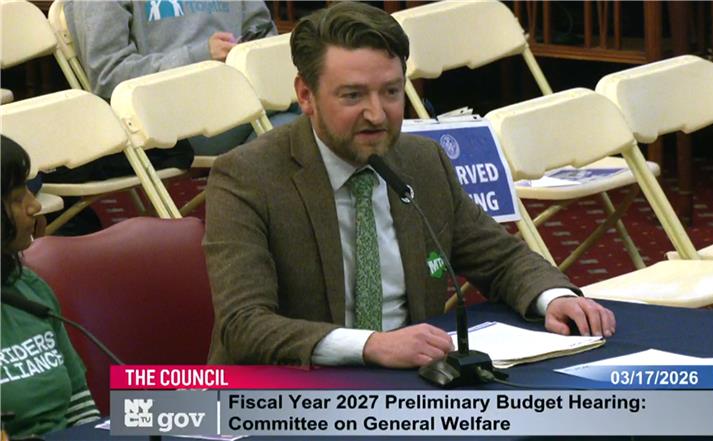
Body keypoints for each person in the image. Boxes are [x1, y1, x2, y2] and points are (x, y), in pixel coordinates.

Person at [203, 2, 615, 368]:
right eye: (352, 96)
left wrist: (554, 296)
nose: (376, 114)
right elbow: (244, 324)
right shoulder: (247, 177)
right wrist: (370, 346)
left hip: (411, 387)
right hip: (291, 393)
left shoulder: (422, 161)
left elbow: (500, 259)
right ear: (306, 95)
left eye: (391, 92)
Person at [65, 0, 298, 156]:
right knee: (300, 128)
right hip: (169, 119)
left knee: (290, 134)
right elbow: (107, 77)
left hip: (251, 103)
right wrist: (199, 57)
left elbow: (263, 34)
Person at [0, 136, 101, 437]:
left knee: (215, 412)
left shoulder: (29, 288)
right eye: (17, 198)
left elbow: (79, 405)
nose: (34, 205)